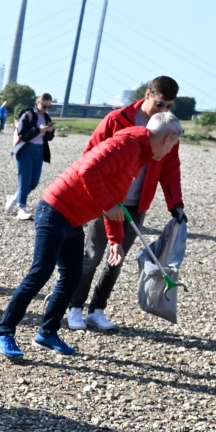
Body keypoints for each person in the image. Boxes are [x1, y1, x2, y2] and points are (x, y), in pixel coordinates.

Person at [0, 112, 183, 361]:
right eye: (173, 146)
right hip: (55, 209)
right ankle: (3, 332)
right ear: (168, 138)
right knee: (40, 273)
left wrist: (115, 239)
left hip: (73, 219)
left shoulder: (140, 153)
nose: (170, 152)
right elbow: (88, 170)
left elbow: (117, 199)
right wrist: (107, 206)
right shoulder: (128, 145)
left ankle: (47, 333)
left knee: (71, 277)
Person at [67, 75, 188, 332]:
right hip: (109, 201)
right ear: (147, 95)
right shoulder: (117, 120)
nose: (164, 110)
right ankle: (74, 307)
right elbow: (89, 157)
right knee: (92, 256)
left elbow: (170, 167)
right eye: (160, 104)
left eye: (169, 105)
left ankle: (97, 310)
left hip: (137, 204)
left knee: (116, 259)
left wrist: (175, 203)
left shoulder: (168, 126)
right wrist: (94, 196)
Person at [6, 92, 55, 220]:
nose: (46, 109)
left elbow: (48, 138)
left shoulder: (47, 117)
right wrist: (39, 129)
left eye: (49, 107)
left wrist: (50, 131)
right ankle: (22, 208)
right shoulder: (27, 115)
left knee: (34, 182)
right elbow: (22, 134)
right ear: (38, 102)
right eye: (45, 106)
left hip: (39, 150)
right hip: (26, 149)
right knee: (24, 180)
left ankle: (15, 197)